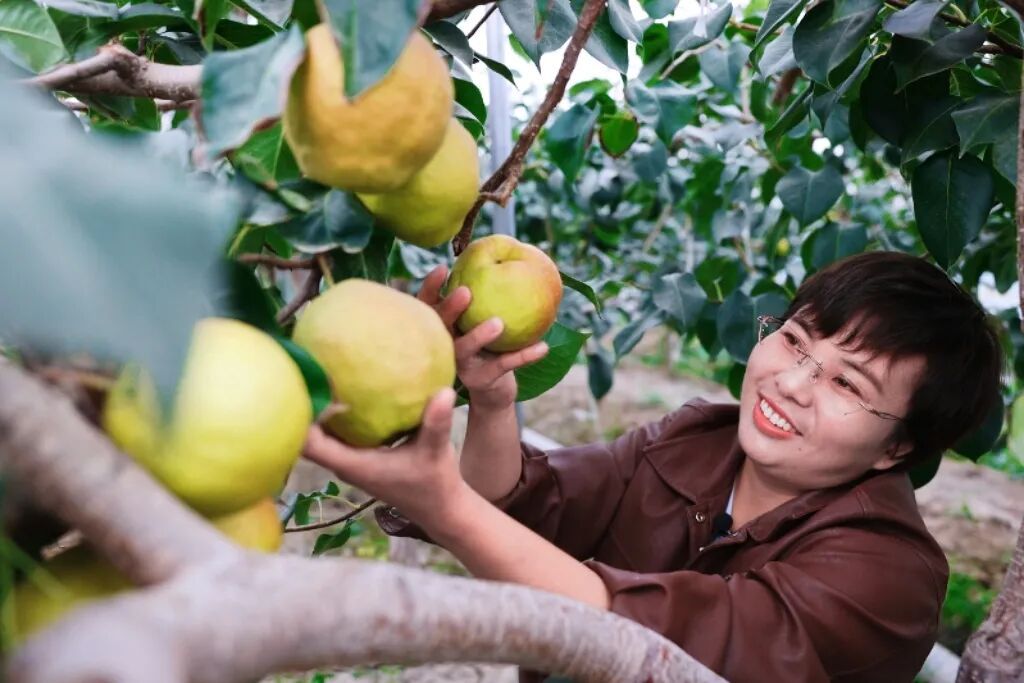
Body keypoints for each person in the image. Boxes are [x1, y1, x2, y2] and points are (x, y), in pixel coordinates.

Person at [302, 251, 1002, 682]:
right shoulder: (695, 438)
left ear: (897, 448)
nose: (792, 382)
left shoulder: (888, 576)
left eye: (847, 384)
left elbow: (657, 649)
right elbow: (530, 507)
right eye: (794, 341)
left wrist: (442, 503)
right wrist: (489, 402)